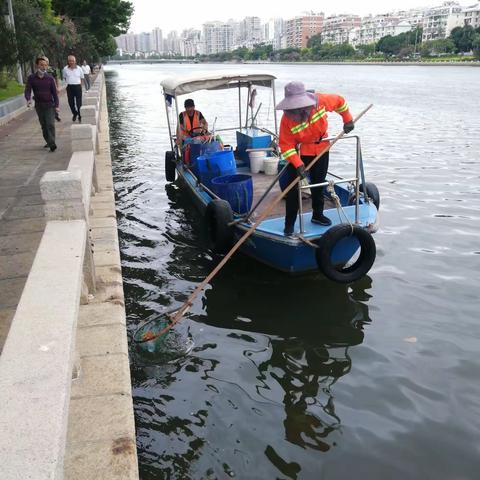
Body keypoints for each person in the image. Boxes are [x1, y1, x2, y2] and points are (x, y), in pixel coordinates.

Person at [276, 81, 354, 236]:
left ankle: (317, 215)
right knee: (292, 189)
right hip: (299, 152)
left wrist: (348, 119)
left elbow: (340, 102)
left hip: (321, 148)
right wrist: (298, 164)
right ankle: (289, 224)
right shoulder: (287, 119)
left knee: (319, 183)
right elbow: (285, 145)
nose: (297, 109)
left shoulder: (321, 101)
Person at [24, 57, 60, 152]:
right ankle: (48, 141)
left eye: (45, 65)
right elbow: (27, 90)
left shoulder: (50, 78)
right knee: (44, 125)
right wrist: (28, 99)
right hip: (39, 106)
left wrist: (57, 105)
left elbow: (54, 94)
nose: (43, 67)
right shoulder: (32, 78)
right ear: (37, 65)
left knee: (50, 124)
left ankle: (52, 143)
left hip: (49, 105)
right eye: (41, 65)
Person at [62, 55, 84, 122]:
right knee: (70, 103)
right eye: (70, 61)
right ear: (68, 61)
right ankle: (75, 113)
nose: (71, 62)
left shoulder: (79, 68)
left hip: (77, 87)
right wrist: (66, 85)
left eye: (72, 61)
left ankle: (80, 116)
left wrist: (81, 86)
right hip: (69, 87)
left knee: (78, 103)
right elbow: (64, 77)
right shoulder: (65, 69)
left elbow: (82, 78)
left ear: (75, 61)